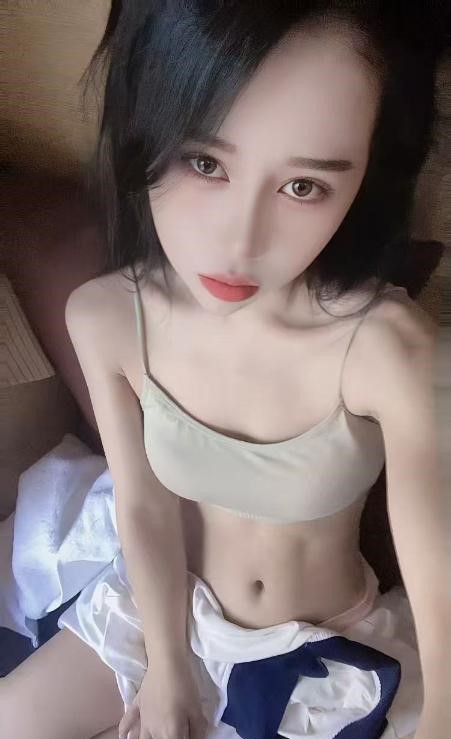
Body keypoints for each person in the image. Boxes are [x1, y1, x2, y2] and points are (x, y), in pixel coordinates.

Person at [1, 2, 449, 739]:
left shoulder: (384, 347)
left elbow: (436, 552)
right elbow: (143, 507)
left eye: (303, 186)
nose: (240, 242)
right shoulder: (107, 316)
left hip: (322, 648)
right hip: (160, 610)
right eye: (205, 163)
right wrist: (167, 668)